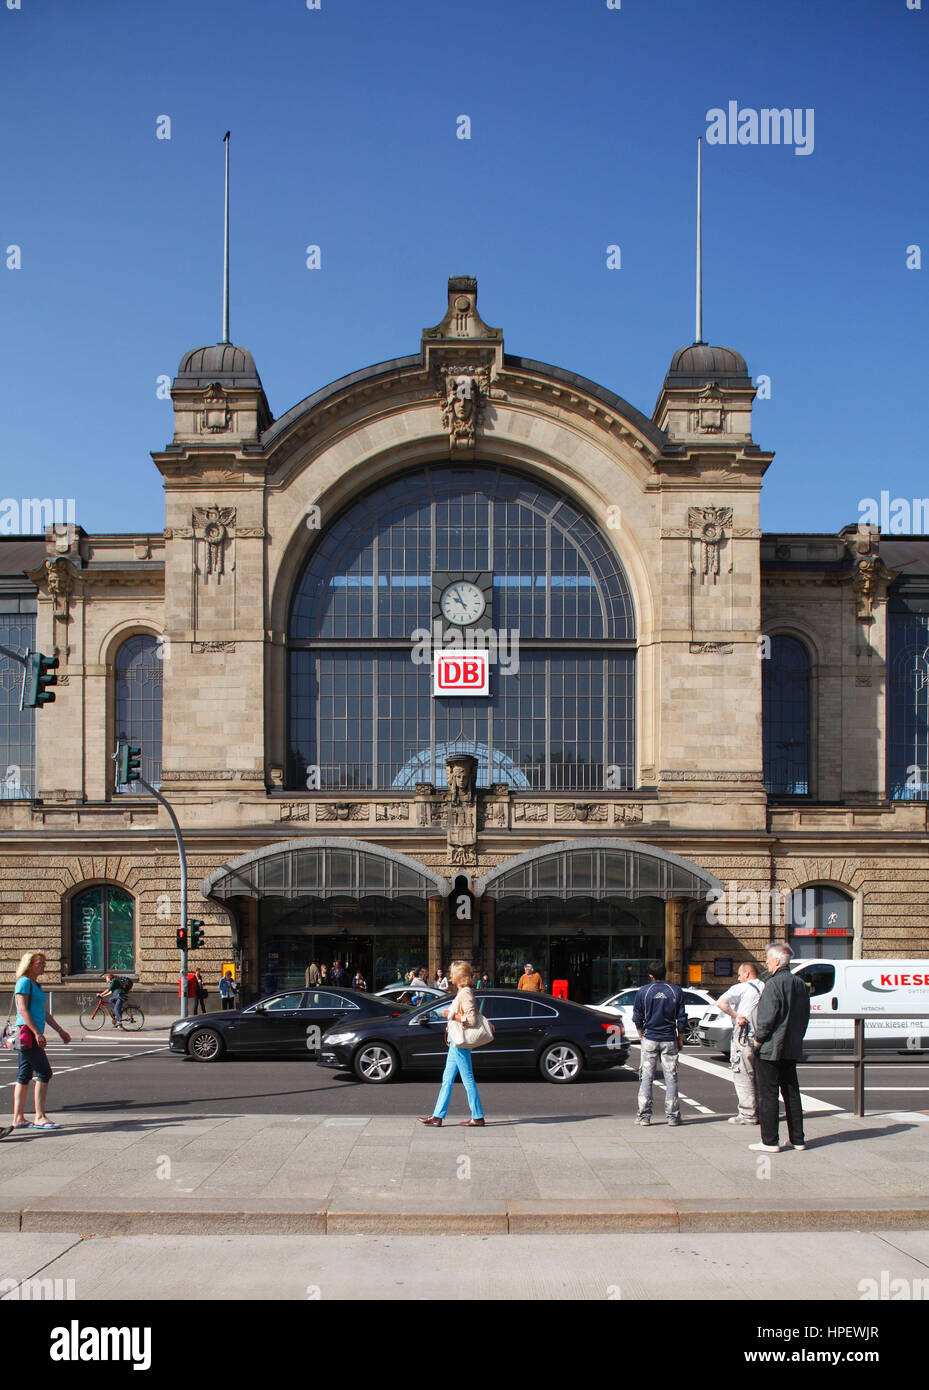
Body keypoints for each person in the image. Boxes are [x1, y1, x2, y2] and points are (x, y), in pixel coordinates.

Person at [749, 943, 811, 1154]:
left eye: (767, 958)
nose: (766, 962)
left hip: (770, 1048)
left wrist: (757, 1041)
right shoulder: (801, 984)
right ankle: (798, 1139)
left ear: (776, 961)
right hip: (791, 1047)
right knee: (792, 1093)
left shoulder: (773, 984)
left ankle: (770, 1141)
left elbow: (766, 1019)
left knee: (768, 1094)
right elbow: (804, 1017)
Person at [420, 961, 485, 1128]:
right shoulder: (462, 992)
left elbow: (470, 1020)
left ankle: (477, 1117)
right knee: (447, 1080)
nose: (449, 976)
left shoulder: (465, 993)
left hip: (460, 1043)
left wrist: (450, 1015)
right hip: (455, 1042)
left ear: (459, 976)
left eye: (452, 973)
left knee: (467, 1079)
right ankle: (437, 1116)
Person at [11, 951, 71, 1131]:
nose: (44, 966)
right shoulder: (24, 982)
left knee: (24, 1075)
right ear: (30, 965)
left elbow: (43, 1012)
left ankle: (18, 1118)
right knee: (44, 1072)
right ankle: (39, 1116)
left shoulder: (36, 985)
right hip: (27, 1033)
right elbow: (22, 1010)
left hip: (31, 1032)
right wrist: (37, 1033)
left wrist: (60, 1030)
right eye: (41, 963)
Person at [631, 960, 686, 1126]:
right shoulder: (675, 991)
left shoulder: (643, 992)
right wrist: (680, 1037)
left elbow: (637, 1017)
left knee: (646, 1077)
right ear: (665, 973)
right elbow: (681, 1017)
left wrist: (642, 1034)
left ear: (651, 975)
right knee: (671, 1077)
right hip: (668, 1038)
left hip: (650, 1038)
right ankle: (673, 1116)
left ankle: (644, 1115)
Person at [716, 962, 765, 1124]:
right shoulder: (765, 987)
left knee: (743, 1074)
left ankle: (747, 1114)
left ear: (747, 974)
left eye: (739, 974)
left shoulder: (742, 987)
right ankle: (760, 1110)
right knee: (758, 1075)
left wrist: (735, 1015)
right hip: (761, 1037)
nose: (738, 978)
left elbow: (721, 1003)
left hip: (743, 1036)